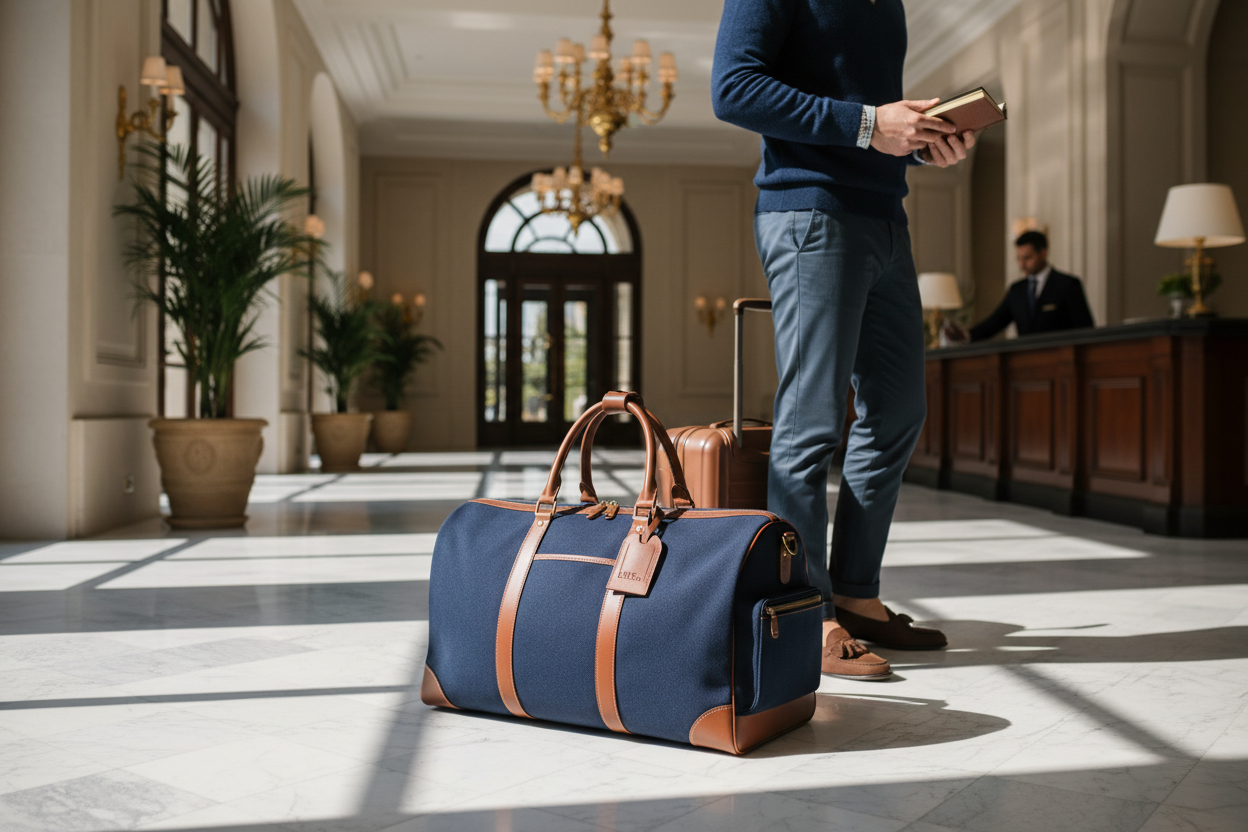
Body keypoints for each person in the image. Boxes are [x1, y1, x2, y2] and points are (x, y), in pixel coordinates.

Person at [712, 0, 973, 680]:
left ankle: (856, 595)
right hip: (809, 210)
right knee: (812, 420)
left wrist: (920, 139)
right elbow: (732, 89)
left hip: (886, 217)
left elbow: (875, 121)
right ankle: (804, 611)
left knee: (897, 410)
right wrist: (868, 124)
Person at [946, 230, 1095, 342]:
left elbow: (1084, 328)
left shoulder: (1068, 285)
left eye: (1027, 258)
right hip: (1025, 363)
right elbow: (996, 322)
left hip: (1062, 359)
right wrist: (966, 335)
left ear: (1043, 253)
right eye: (1019, 259)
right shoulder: (1017, 290)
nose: (1022, 264)